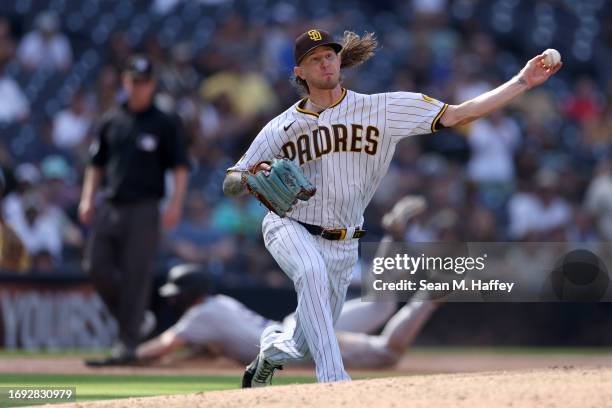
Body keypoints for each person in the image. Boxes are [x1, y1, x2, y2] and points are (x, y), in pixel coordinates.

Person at [222, 28, 562, 385]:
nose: (325, 63)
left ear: (339, 60)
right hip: (289, 225)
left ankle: (269, 354)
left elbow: (459, 115)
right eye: (314, 59)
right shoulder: (281, 127)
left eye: (329, 55)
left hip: (344, 243)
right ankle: (335, 382)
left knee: (304, 343)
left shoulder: (381, 109)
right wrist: (247, 178)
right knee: (310, 273)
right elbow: (230, 180)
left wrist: (522, 80)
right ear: (299, 72)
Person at [79, 55, 190, 365]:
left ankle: (128, 344)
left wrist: (176, 203)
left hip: (145, 207)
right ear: (125, 83)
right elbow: (96, 164)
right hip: (110, 204)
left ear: (152, 84)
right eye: (132, 81)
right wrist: (87, 198)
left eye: (143, 82)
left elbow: (180, 166)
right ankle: (137, 321)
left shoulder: (164, 122)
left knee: (136, 275)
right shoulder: (111, 120)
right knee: (95, 265)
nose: (137, 87)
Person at [125, 263, 438, 370]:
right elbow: (201, 351)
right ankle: (392, 237)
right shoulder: (218, 304)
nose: (173, 299)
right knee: (380, 307)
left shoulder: (199, 317)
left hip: (297, 342)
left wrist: (129, 356)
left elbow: (165, 344)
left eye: (176, 294)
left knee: (388, 354)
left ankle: (428, 298)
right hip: (295, 326)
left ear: (189, 294)